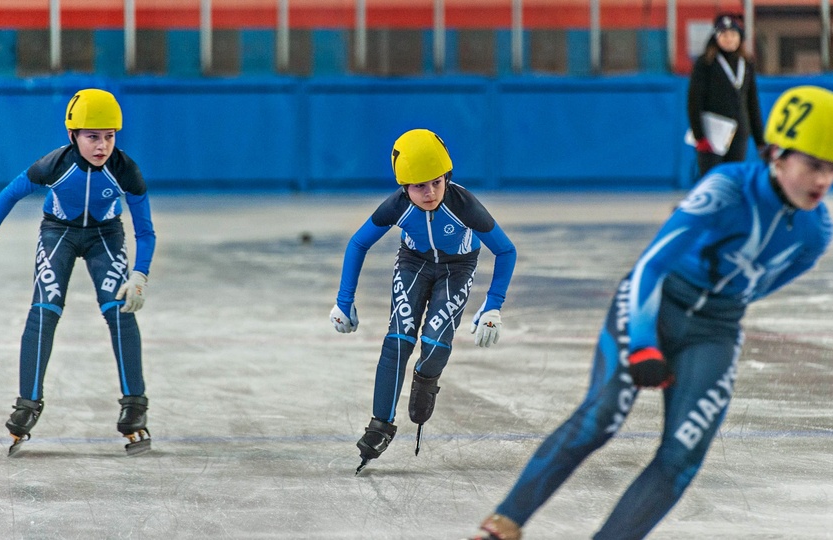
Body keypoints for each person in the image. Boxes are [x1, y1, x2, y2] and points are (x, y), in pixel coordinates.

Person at [463, 85, 833, 540]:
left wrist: (709, 326)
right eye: (814, 165)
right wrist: (642, 344)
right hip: (655, 302)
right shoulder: (726, 189)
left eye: (831, 169)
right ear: (777, 154)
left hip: (714, 331)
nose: (823, 181)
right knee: (601, 418)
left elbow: (752, 291)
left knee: (682, 456)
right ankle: (502, 526)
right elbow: (651, 265)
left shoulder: (816, 234)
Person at [0, 88, 156, 456]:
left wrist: (140, 274)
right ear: (73, 135)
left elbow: (145, 230)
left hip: (106, 237)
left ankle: (135, 404)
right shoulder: (55, 165)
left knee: (119, 311)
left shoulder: (126, 171)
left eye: (109, 136)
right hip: (58, 232)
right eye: (92, 136)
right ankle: (27, 404)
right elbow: (12, 192)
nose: (102, 145)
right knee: (44, 312)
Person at [330, 128, 517, 473]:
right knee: (397, 341)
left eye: (435, 182)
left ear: (447, 176)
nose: (429, 193)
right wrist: (345, 300)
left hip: (456, 270)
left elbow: (505, 250)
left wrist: (493, 305)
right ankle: (380, 425)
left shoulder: (465, 206)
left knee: (434, 344)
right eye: (418, 186)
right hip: (413, 264)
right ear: (404, 188)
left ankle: (426, 378)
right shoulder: (396, 207)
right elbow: (358, 244)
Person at [687, 13, 766, 179]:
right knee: (712, 181)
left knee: (733, 181)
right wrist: (699, 135)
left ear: (740, 37)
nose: (729, 39)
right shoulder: (705, 63)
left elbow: (752, 102)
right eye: (724, 35)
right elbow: (694, 101)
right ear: (716, 37)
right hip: (712, 134)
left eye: (733, 34)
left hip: (739, 133)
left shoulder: (746, 62)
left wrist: (760, 141)